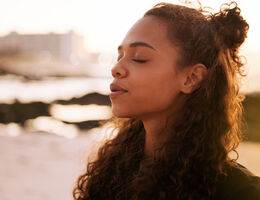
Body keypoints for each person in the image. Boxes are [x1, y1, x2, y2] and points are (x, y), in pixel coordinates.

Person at [73, 1, 260, 200]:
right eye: (120, 56)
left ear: (191, 78)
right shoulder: (112, 172)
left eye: (139, 57)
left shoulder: (239, 192)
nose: (116, 68)